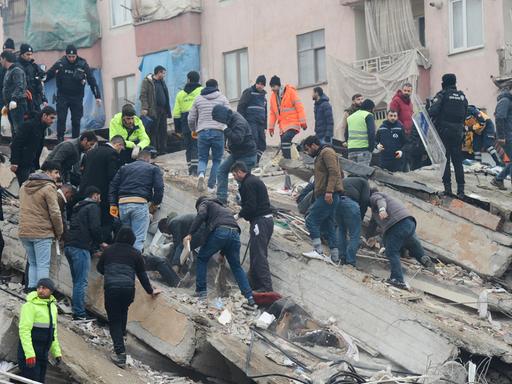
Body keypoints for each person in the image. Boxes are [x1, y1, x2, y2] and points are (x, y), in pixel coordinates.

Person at [97, 227, 161, 368]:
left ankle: (120, 354)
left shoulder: (108, 250)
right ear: (133, 239)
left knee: (114, 320)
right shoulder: (136, 254)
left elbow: (99, 268)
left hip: (112, 288)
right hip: (128, 290)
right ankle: (122, 335)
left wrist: (108, 270)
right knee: (123, 311)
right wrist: (150, 290)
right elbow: (142, 275)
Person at [184, 197, 256, 306]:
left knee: (202, 258)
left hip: (221, 231)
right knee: (236, 267)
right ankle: (249, 297)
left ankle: (201, 292)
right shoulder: (224, 209)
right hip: (235, 233)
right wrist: (222, 254)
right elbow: (229, 231)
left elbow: (202, 215)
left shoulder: (205, 203)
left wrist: (190, 233)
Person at [368, 189, 435, 289]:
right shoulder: (384, 204)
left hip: (397, 224)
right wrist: (368, 236)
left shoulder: (375, 196)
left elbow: (380, 201)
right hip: (409, 222)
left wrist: (382, 210)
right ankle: (426, 262)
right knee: (411, 243)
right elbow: (372, 224)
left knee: (391, 252)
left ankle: (397, 279)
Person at [18, 161, 63, 290]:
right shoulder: (48, 187)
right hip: (42, 232)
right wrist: (59, 231)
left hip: (24, 231)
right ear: (47, 172)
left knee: (33, 263)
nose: (57, 176)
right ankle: (41, 294)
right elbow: (55, 212)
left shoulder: (24, 185)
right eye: (56, 172)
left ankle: (31, 292)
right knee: (43, 265)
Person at [231, 162, 274, 292]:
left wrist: (238, 215)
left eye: (234, 175)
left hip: (260, 222)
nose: (234, 178)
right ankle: (254, 284)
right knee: (256, 253)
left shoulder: (248, 183)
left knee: (259, 255)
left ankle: (266, 288)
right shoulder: (253, 181)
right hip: (265, 221)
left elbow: (251, 206)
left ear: (239, 172)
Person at [109, 150, 164, 251]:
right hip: (139, 204)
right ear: (148, 159)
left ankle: (123, 261)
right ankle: (133, 264)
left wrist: (113, 203)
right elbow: (159, 188)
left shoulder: (124, 168)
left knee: (126, 238)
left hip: (123, 205)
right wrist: (155, 203)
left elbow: (113, 186)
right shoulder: (153, 169)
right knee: (138, 239)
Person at [46, 44, 101, 141]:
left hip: (77, 96)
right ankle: (60, 140)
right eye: (69, 57)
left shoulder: (82, 64)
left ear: (76, 55)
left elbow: (92, 81)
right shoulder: (60, 63)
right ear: (66, 55)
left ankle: (76, 140)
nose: (71, 58)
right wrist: (40, 80)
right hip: (63, 95)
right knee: (61, 119)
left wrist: (97, 96)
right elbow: (48, 75)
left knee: (76, 120)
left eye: (73, 56)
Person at [65, 186, 104, 320]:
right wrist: (101, 243)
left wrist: (92, 250)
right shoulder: (93, 207)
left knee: (77, 281)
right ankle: (79, 313)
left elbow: (81, 227)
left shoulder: (78, 207)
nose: (100, 199)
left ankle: (76, 310)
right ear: (95, 195)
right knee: (81, 282)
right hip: (80, 248)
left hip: (69, 246)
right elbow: (94, 228)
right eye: (99, 196)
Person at [302, 136, 344, 261]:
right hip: (326, 194)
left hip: (329, 195)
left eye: (308, 149)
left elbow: (334, 172)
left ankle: (318, 250)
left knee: (311, 220)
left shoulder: (327, 152)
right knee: (328, 225)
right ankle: (335, 257)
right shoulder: (322, 154)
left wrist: (329, 191)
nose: (308, 152)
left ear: (314, 145)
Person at [428, 73, 468, 198]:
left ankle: (448, 189)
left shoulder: (442, 95)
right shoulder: (462, 96)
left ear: (443, 83)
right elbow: (465, 112)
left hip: (444, 132)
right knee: (457, 161)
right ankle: (461, 191)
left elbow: (433, 112)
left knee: (445, 160)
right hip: (458, 132)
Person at [188, 78, 229, 193]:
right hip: (218, 131)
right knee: (217, 160)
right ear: (216, 86)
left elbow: (191, 118)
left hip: (202, 131)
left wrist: (194, 130)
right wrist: (226, 128)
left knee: (202, 158)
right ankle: (211, 186)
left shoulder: (198, 99)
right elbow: (229, 114)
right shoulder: (222, 98)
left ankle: (201, 174)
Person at [79, 136, 125, 240]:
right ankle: (103, 243)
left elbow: (82, 170)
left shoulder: (90, 152)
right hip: (102, 194)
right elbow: (112, 175)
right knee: (105, 220)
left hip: (85, 191)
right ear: (118, 145)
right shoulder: (112, 154)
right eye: (121, 149)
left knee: (88, 219)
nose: (120, 151)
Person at [18, 278, 62, 383]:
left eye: (44, 288)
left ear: (51, 291)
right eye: (39, 287)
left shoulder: (52, 307)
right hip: (30, 355)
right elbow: (24, 331)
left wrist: (56, 352)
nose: (40, 290)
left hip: (43, 354)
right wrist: (29, 354)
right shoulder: (29, 306)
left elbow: (53, 333)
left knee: (40, 380)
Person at [212, 105, 257, 203]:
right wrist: (225, 144)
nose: (219, 123)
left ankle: (246, 201)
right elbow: (228, 134)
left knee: (241, 178)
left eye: (219, 120)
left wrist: (225, 129)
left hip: (247, 155)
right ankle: (221, 198)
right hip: (237, 153)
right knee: (222, 170)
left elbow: (237, 139)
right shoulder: (229, 119)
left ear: (222, 116)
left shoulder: (238, 122)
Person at [10, 106, 57, 186]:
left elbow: (37, 148)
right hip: (22, 164)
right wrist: (14, 162)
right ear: (44, 116)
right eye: (51, 118)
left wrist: (36, 166)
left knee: (32, 188)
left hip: (31, 164)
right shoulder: (29, 125)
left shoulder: (42, 128)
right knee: (26, 188)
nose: (52, 121)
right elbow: (16, 143)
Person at [268, 75, 307, 159]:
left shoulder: (290, 92)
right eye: (271, 87)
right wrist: (271, 127)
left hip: (293, 123)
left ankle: (287, 161)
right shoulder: (273, 97)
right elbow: (273, 114)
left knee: (285, 140)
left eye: (273, 86)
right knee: (284, 143)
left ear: (278, 85)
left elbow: (299, 107)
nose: (272, 89)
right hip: (283, 126)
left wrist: (303, 122)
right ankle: (287, 163)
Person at [173, 71, 202, 175]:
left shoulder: (180, 94)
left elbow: (176, 113)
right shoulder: (202, 91)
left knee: (188, 146)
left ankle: (190, 169)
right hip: (197, 121)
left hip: (185, 122)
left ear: (188, 79)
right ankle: (196, 169)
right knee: (196, 145)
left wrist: (178, 129)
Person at [140, 65, 171, 154]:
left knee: (163, 130)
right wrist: (145, 108)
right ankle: (154, 150)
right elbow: (143, 95)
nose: (164, 75)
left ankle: (163, 149)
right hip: (153, 110)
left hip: (163, 110)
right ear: (158, 72)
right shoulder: (148, 81)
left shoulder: (162, 82)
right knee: (154, 131)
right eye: (163, 73)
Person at [237, 75, 267, 165]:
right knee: (254, 140)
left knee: (262, 144)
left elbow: (265, 112)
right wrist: (241, 121)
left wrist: (265, 126)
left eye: (262, 84)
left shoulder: (264, 96)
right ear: (256, 83)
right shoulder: (248, 92)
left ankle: (256, 160)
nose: (260, 86)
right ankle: (251, 161)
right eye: (258, 83)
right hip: (250, 121)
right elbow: (241, 107)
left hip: (260, 122)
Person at [1, 50, 27, 136]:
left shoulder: (16, 70)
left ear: (5, 59)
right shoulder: (9, 70)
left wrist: (14, 99)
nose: (0, 61)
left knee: (18, 129)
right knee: (14, 129)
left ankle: (20, 147)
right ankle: (15, 146)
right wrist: (7, 103)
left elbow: (19, 86)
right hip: (11, 105)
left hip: (17, 104)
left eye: (1, 59)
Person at [390, 83, 414, 171]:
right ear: (402, 90)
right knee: (400, 155)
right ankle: (399, 172)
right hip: (400, 132)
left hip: (409, 132)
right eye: (405, 90)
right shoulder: (396, 100)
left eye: (409, 91)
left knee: (407, 154)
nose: (406, 92)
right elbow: (392, 116)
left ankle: (407, 172)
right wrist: (399, 129)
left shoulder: (410, 102)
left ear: (411, 92)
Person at [492, 88, 512, 190]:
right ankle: (498, 179)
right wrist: (501, 137)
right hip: (507, 137)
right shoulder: (505, 101)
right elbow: (499, 118)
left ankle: (498, 179)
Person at [18, 43, 47, 112]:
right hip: (23, 100)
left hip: (35, 100)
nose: (30, 57)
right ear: (22, 54)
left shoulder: (33, 66)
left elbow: (42, 78)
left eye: (31, 54)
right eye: (27, 54)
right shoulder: (17, 66)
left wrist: (43, 98)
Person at [346, 99, 376, 166]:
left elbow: (346, 134)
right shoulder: (368, 115)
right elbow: (371, 133)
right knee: (362, 174)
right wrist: (371, 148)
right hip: (364, 150)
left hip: (351, 150)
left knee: (352, 173)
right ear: (370, 108)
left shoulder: (350, 117)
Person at [334, 196, 362, 267]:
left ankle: (341, 256)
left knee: (341, 229)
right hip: (351, 206)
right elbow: (364, 199)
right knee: (354, 235)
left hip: (339, 203)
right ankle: (350, 261)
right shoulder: (372, 193)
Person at [0, 38, 15, 110]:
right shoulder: (1, 63)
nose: (7, 55)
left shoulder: (17, 64)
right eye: (5, 52)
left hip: (13, 99)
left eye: (9, 52)